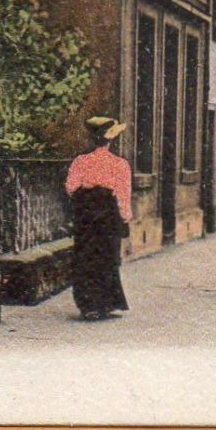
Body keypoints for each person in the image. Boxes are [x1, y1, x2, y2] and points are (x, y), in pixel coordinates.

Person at [65, 116, 133, 320]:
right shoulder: (119, 164)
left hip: (86, 215)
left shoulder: (80, 161)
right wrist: (125, 218)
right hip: (108, 215)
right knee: (108, 258)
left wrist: (87, 192)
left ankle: (88, 306)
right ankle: (105, 304)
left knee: (85, 257)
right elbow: (122, 194)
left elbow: (70, 187)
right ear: (111, 139)